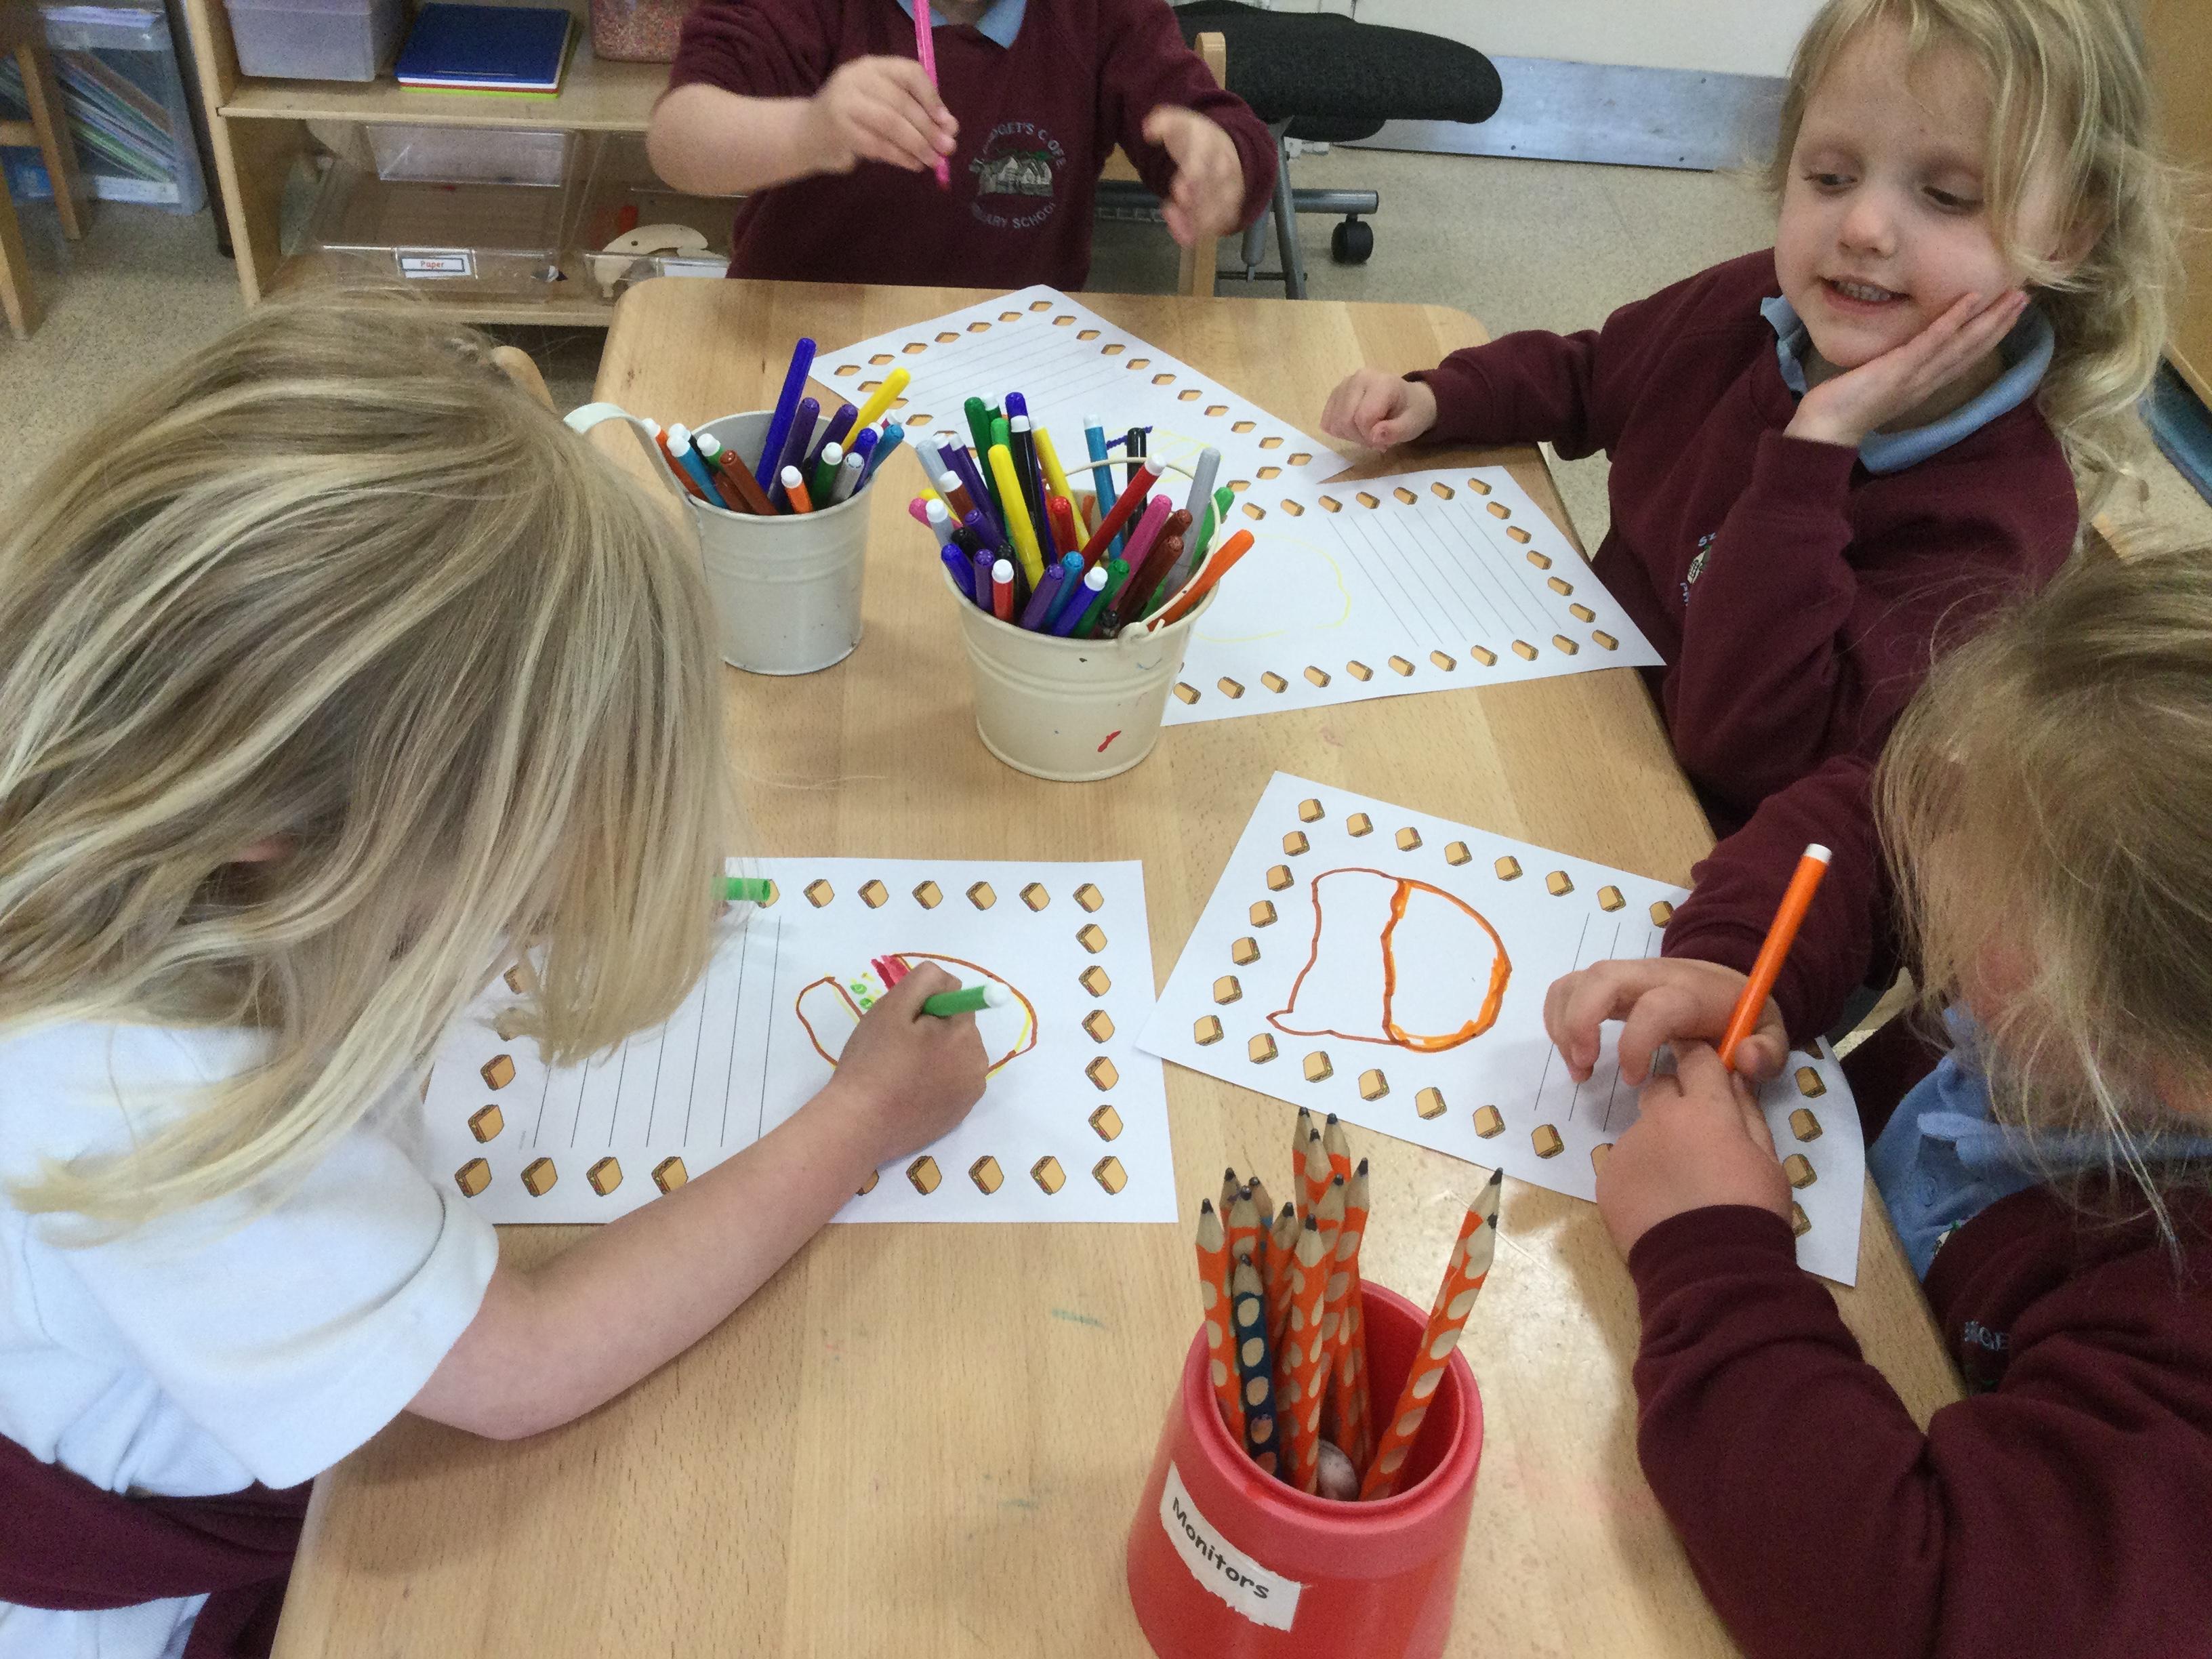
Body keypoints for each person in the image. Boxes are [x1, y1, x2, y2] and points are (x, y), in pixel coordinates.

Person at [0, 299, 988, 1659]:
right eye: (516, 854)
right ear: (286, 828)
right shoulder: (164, 1111)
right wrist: (861, 1118)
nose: (530, 907)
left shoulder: (143, 836)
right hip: (139, 1603)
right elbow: (527, 1365)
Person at [1327, 0, 2179, 1054]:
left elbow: (1740, 744)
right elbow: (1595, 374)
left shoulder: (1998, 525)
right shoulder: (1754, 311)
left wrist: (1813, 451)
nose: (1863, 229)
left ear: (2070, 231)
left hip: (1715, 892)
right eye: (1830, 177)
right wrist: (1442, 398)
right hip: (1577, 718)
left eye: (1947, 196)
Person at [1556, 544, 2212, 1658]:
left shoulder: (2176, 1341)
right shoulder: (2093, 981)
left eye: (1989, 881)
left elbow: (1907, 1605)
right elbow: (1869, 815)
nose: (1929, 849)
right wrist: (1737, 959)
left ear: (2160, 1062)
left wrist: (1712, 1256)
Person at [644, 0, 1276, 289]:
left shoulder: (1103, 14)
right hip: (800, 351)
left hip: (1012, 365)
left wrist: (1222, 166)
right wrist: (810, 130)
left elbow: (1224, 134)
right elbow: (679, 138)